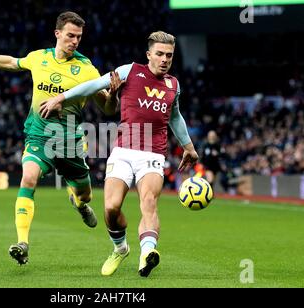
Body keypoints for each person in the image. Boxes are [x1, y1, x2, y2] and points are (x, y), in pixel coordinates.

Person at [0, 11, 113, 266]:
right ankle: (23, 243)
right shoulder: (39, 58)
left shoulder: (87, 70)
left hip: (69, 140)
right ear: (57, 33)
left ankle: (79, 204)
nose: (75, 41)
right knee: (28, 177)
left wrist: (112, 94)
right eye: (70, 35)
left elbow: (108, 109)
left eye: (79, 37)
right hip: (39, 134)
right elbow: (9, 62)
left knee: (86, 195)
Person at [40, 31, 199, 277]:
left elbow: (175, 116)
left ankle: (147, 253)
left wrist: (188, 146)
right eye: (159, 54)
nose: (165, 59)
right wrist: (61, 97)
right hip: (123, 151)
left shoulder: (173, 85)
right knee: (111, 209)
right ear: (149, 55)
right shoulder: (130, 71)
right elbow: (93, 85)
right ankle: (120, 248)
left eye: (169, 55)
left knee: (148, 202)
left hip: (153, 154)